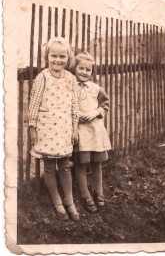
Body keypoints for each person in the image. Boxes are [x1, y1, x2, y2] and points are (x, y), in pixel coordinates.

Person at [28, 37, 79, 222]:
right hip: (47, 127)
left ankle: (69, 201)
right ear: (47, 56)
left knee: (65, 166)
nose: (58, 60)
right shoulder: (42, 77)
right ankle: (57, 202)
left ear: (69, 58)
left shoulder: (71, 79)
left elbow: (74, 106)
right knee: (49, 167)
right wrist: (32, 126)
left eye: (62, 56)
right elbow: (33, 103)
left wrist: (74, 128)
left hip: (65, 128)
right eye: (54, 56)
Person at [71, 52, 111, 213]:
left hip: (95, 130)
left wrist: (96, 113)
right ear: (75, 68)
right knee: (81, 164)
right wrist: (78, 115)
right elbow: (66, 106)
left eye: (88, 70)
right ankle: (85, 194)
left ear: (92, 72)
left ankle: (99, 191)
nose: (84, 72)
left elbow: (105, 104)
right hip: (80, 131)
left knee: (97, 163)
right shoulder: (69, 87)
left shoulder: (96, 89)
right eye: (81, 68)